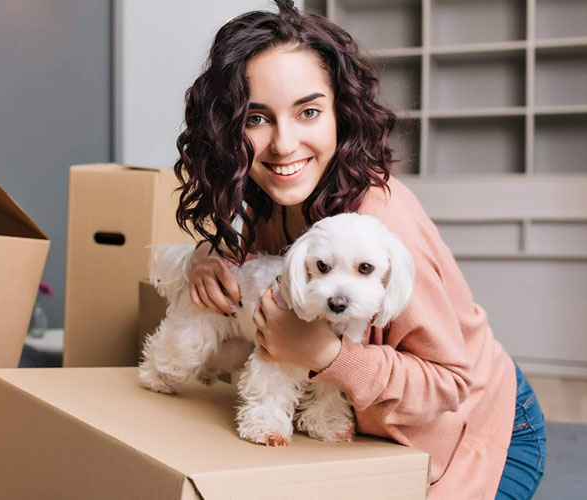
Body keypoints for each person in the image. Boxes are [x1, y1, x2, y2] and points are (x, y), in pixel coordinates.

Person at [172, 1, 546, 498]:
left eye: (308, 111)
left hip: (480, 431)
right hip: (362, 436)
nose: (283, 144)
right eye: (257, 118)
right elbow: (264, 282)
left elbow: (451, 385)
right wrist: (206, 258)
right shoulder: (271, 196)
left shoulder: (382, 224)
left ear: (340, 115)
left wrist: (327, 353)